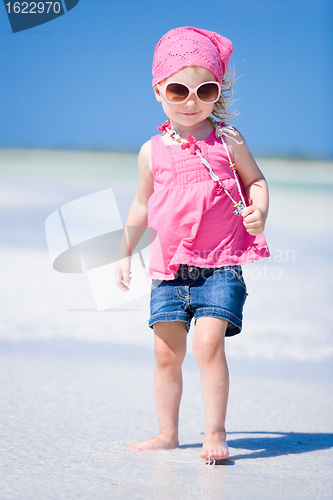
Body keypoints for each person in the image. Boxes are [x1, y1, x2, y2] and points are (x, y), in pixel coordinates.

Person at [115, 26, 270, 463]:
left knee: (207, 345)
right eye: (178, 89)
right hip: (169, 268)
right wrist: (125, 250)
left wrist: (260, 211)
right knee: (166, 355)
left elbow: (255, 180)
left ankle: (214, 432)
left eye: (205, 90)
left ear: (217, 93)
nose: (191, 101)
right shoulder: (151, 151)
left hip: (221, 264)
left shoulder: (228, 139)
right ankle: (167, 433)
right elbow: (142, 203)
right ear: (159, 89)